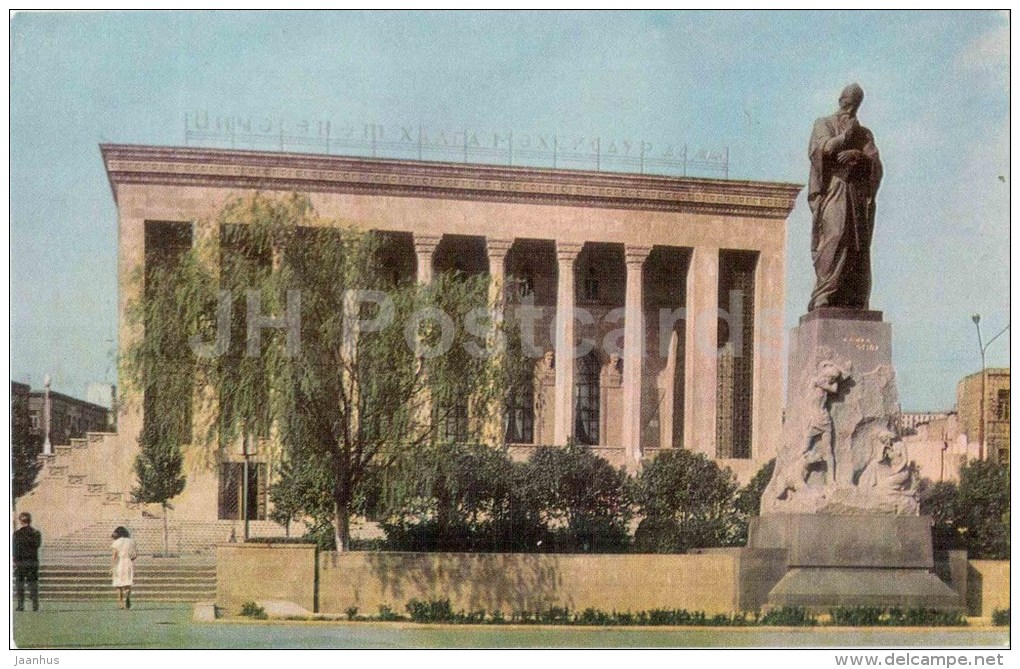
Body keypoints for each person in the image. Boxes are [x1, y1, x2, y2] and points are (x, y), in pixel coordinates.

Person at [807, 83, 883, 312]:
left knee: (856, 244)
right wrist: (845, 137)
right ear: (840, 100)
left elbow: (876, 165)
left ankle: (852, 297)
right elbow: (820, 150)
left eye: (856, 103)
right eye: (848, 101)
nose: (850, 107)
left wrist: (859, 155)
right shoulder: (824, 123)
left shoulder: (865, 133)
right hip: (834, 190)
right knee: (835, 235)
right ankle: (824, 292)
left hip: (856, 195)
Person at [13, 512, 41, 612]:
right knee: (33, 584)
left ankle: (21, 605)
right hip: (32, 562)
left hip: (20, 563)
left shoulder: (17, 534)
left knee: (19, 584)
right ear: (30, 520)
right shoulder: (36, 533)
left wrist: (15, 561)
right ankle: (35, 604)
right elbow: (37, 545)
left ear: (21, 521)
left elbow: (14, 549)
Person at [111, 526, 138, 610]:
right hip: (128, 563)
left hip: (120, 563)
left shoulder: (116, 542)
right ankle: (128, 597)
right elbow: (135, 555)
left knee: (118, 584)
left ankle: (120, 602)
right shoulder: (131, 542)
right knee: (127, 583)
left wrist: (112, 567)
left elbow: (114, 556)